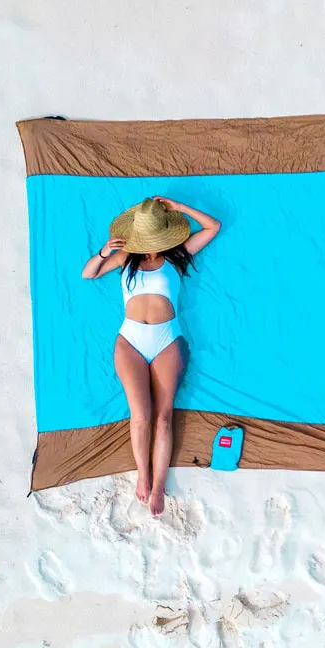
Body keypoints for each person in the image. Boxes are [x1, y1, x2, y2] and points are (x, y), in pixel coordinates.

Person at [82, 196, 221, 516]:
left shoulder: (177, 255)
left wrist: (180, 208)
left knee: (163, 416)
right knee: (141, 414)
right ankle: (142, 474)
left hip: (166, 339)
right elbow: (89, 274)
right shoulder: (126, 257)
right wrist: (104, 252)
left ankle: (158, 485)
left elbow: (213, 227)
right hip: (130, 340)